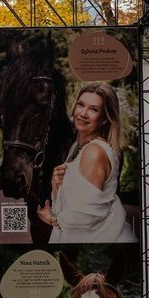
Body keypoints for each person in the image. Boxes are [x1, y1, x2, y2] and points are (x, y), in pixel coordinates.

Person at [39, 82, 136, 243]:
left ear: (105, 119)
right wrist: (57, 188)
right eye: (81, 105)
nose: (83, 113)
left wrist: (51, 219)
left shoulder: (94, 152)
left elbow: (87, 217)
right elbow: (73, 206)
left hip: (101, 241)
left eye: (93, 109)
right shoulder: (77, 148)